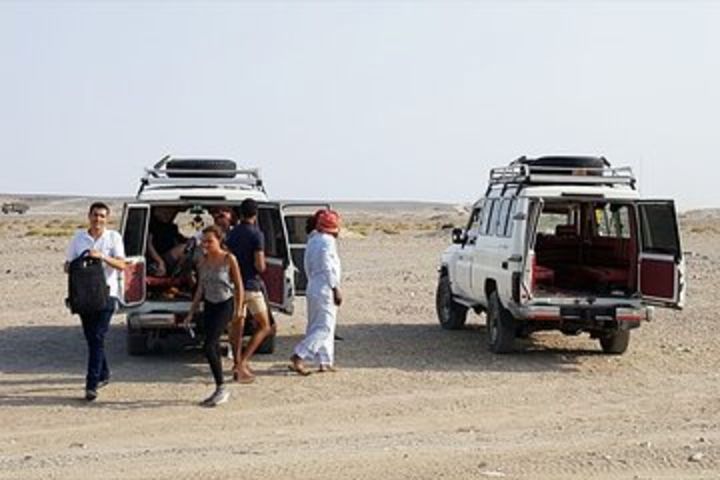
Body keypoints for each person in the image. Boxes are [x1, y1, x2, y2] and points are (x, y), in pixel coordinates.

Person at [65, 202, 127, 401]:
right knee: (93, 338)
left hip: (107, 295)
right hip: (84, 296)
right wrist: (81, 263)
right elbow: (67, 266)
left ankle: (91, 385)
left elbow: (122, 265)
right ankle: (104, 373)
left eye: (102, 216)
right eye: (95, 215)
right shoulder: (78, 238)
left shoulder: (113, 237)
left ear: (107, 218)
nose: (98, 219)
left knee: (98, 336)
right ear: (89, 216)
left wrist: (102, 257)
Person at [183, 225, 244, 407]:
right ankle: (219, 388)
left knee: (209, 346)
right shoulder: (203, 261)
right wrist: (191, 313)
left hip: (225, 304)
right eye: (204, 241)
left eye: (210, 241)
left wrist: (239, 310)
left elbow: (239, 285)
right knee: (211, 345)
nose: (206, 244)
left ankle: (222, 387)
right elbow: (200, 288)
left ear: (219, 240)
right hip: (210, 304)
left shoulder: (228, 259)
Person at [290, 209, 343, 375]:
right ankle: (299, 355)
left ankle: (324, 361)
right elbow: (328, 266)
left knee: (318, 325)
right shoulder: (327, 241)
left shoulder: (313, 240)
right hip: (325, 288)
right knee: (324, 327)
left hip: (313, 286)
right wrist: (335, 288)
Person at [225, 198, 272, 383]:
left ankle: (237, 361)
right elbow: (260, 266)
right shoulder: (256, 234)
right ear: (256, 213)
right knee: (264, 325)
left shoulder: (232, 233)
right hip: (251, 286)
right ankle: (242, 362)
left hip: (234, 287)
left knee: (237, 325)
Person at [146, 206, 188, 277]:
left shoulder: (172, 227)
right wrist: (160, 261)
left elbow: (181, 240)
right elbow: (148, 244)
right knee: (182, 248)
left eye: (172, 213)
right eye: (167, 212)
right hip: (155, 259)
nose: (169, 215)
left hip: (169, 260)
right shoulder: (151, 224)